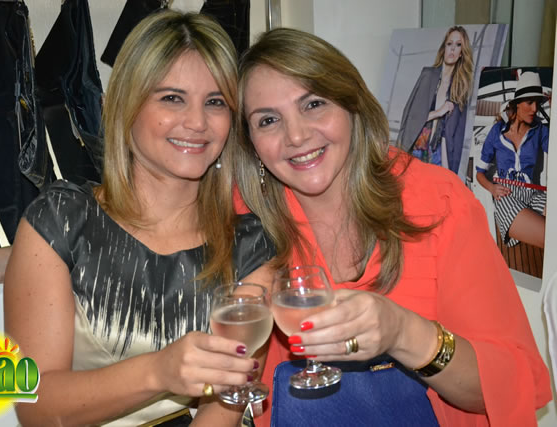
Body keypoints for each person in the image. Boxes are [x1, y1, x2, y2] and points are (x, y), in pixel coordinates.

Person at [0, 10, 276, 427]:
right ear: (126, 105)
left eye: (215, 102)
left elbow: (224, 407)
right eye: (172, 98)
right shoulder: (62, 220)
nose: (197, 122)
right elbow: (36, 408)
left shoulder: (250, 245)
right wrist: (158, 371)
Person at [230, 28, 550, 426]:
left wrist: (403, 333)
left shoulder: (439, 203)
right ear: (251, 142)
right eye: (268, 120)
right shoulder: (248, 220)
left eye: (313, 104)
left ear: (353, 105)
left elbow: (511, 384)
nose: (295, 135)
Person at [476, 71, 549, 248]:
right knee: (549, 237)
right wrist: (492, 188)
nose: (534, 109)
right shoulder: (497, 132)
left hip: (534, 194)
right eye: (529, 102)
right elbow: (479, 173)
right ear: (517, 104)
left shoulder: (540, 130)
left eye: (537, 103)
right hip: (506, 195)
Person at [396, 26, 474, 174]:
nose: (452, 49)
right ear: (444, 48)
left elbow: (452, 135)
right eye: (449, 43)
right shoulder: (428, 75)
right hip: (417, 148)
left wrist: (448, 171)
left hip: (438, 155)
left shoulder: (460, 89)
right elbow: (412, 117)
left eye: (458, 45)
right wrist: (439, 112)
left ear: (461, 53)